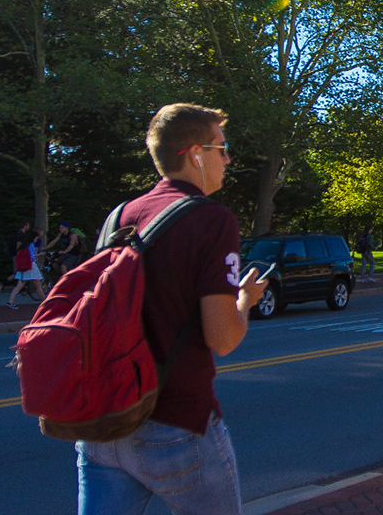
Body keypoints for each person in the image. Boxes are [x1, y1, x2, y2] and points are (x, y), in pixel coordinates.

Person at [74, 103, 268, 515]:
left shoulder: (118, 218)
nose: (228, 159)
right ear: (196, 154)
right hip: (176, 423)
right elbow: (223, 337)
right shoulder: (213, 220)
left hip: (103, 424)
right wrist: (245, 303)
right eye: (222, 148)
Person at [6, 230, 46, 308]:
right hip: (30, 267)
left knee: (20, 284)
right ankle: (44, 302)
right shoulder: (31, 245)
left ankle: (10, 301)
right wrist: (40, 255)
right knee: (38, 285)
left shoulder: (24, 245)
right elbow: (32, 256)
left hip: (23, 267)